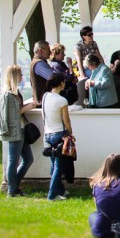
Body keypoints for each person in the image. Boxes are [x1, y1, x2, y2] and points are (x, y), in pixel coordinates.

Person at [0, 64, 36, 197]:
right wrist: (28, 107)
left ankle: (14, 186)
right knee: (13, 160)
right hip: (14, 130)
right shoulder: (6, 95)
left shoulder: (15, 93)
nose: (22, 77)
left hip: (21, 129)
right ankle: (12, 190)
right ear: (14, 76)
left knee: (28, 159)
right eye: (20, 75)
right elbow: (10, 114)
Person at [42, 73, 72, 201]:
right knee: (58, 167)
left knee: (53, 165)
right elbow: (66, 120)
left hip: (47, 134)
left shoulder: (45, 96)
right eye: (64, 82)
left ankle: (61, 191)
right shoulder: (61, 100)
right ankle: (52, 195)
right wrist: (70, 133)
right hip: (59, 133)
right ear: (60, 83)